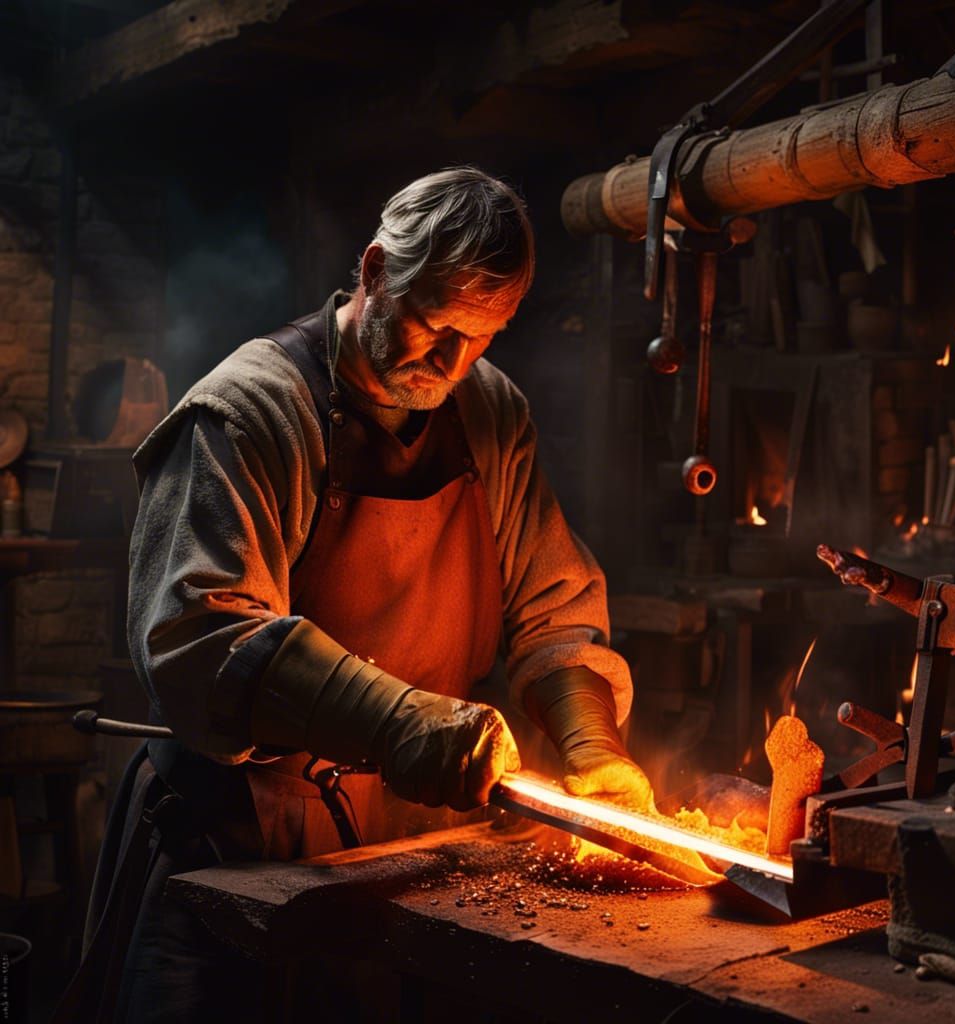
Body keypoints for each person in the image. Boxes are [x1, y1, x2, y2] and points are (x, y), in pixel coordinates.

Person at [63, 167, 653, 1021]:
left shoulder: (489, 413)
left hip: (406, 852)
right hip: (237, 858)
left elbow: (554, 610)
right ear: (375, 270)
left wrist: (591, 746)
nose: (452, 362)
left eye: (483, 338)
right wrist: (407, 723)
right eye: (434, 325)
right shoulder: (248, 412)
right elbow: (203, 639)